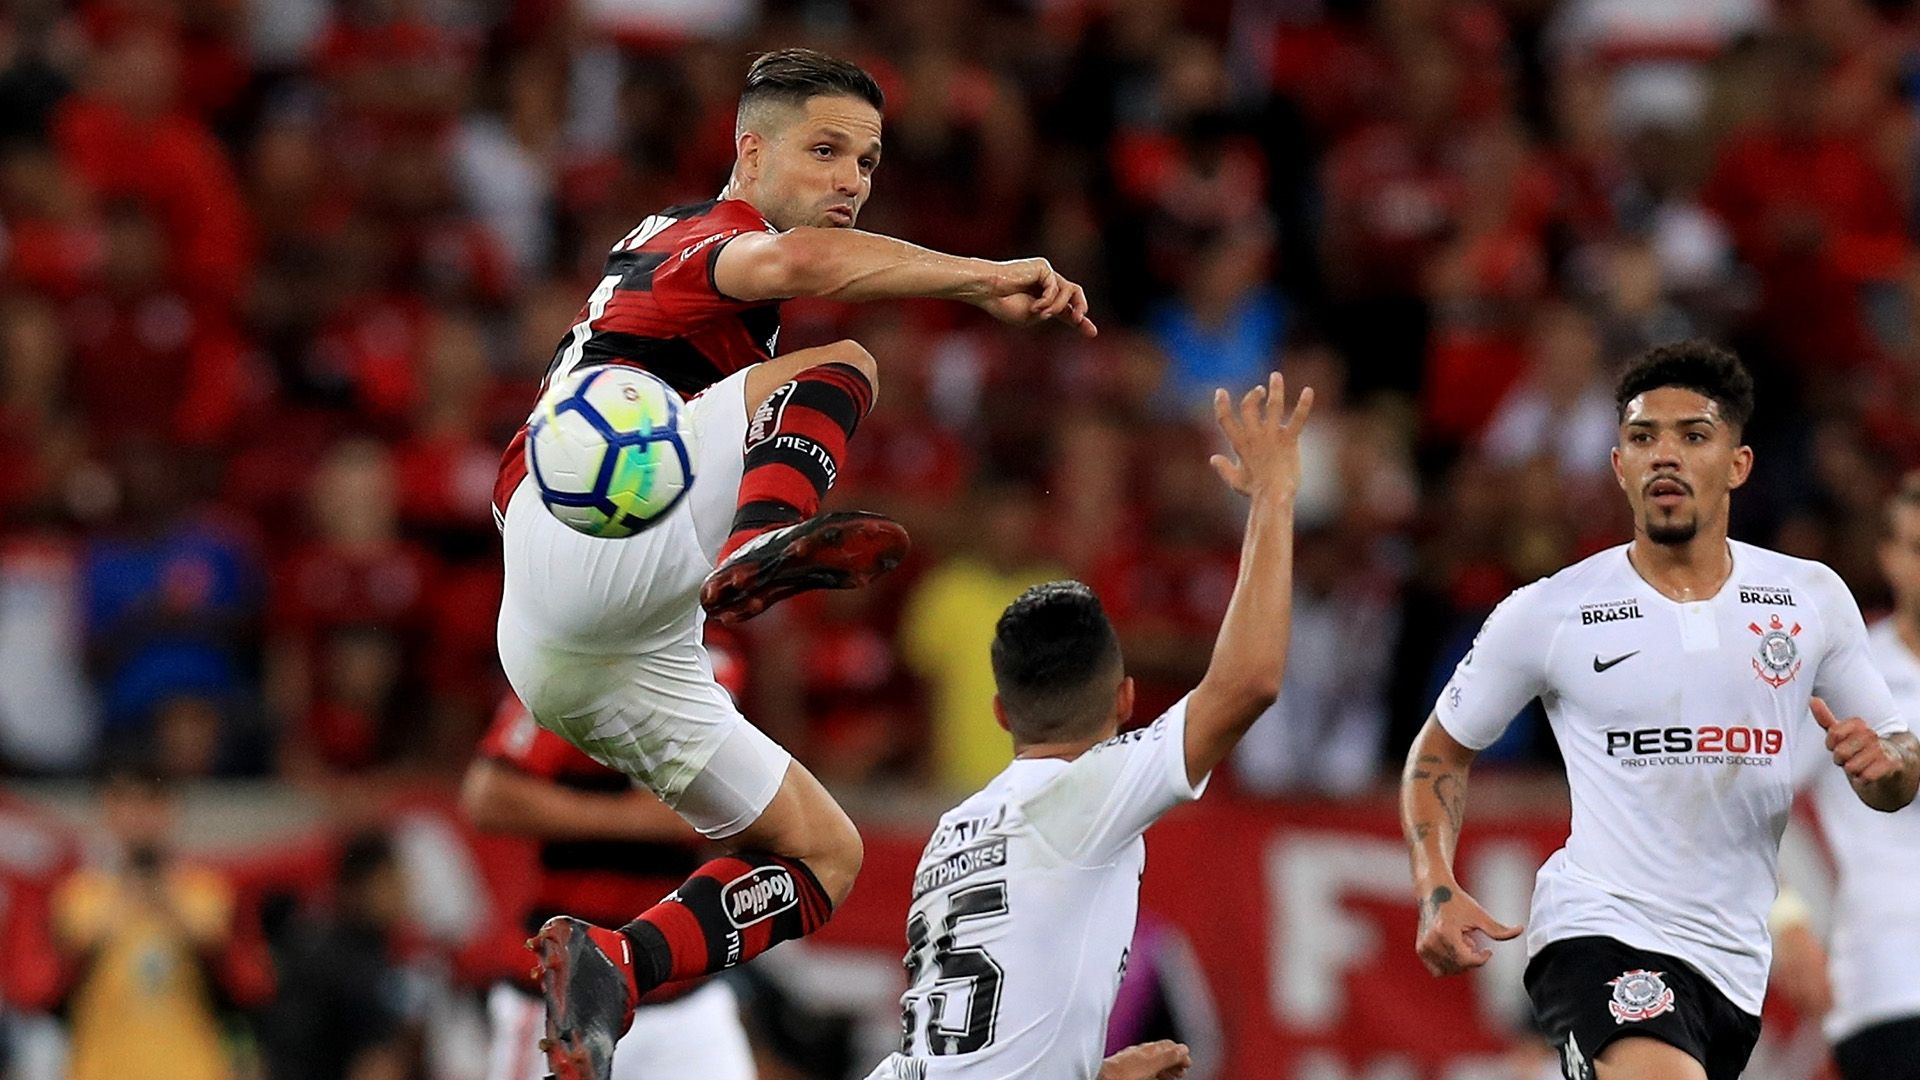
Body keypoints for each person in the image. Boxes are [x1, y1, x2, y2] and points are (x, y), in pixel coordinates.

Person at [492, 47, 1097, 1080]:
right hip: (581, 514)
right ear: (750, 150)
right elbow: (803, 268)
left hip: (588, 650)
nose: (850, 182)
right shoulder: (699, 239)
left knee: (828, 856)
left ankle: (612, 968)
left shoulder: (725, 281)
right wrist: (984, 274)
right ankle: (757, 540)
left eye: (864, 159)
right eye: (824, 152)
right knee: (839, 367)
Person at [1399, 340, 1920, 1080]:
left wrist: (1886, 767)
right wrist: (1435, 885)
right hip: (1600, 929)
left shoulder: (1809, 600)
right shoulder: (1550, 612)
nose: (1665, 456)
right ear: (1620, 466)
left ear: (1737, 465)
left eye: (1693, 436)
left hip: (1733, 964)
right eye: (1643, 438)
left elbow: (1898, 764)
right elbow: (1440, 751)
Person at [862, 372, 1309, 1078]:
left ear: (1002, 713)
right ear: (1127, 699)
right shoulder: (1086, 792)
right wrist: (1276, 499)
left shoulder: (950, 834)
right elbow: (1248, 682)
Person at [460, 693, 755, 1080]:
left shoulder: (718, 662)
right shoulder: (568, 670)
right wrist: (652, 819)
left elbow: (748, 804)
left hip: (683, 993)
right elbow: (488, 796)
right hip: (564, 996)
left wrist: (693, 815)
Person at [1769, 472, 1920, 1080]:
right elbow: (1755, 798)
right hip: (1890, 980)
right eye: (1917, 547)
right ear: (1888, 554)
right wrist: (1786, 918)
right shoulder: (1853, 677)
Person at [52, 760, 272, 1080]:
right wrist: (127, 898)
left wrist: (165, 898)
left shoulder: (206, 889)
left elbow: (226, 954)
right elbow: (65, 958)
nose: (139, 816)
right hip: (102, 1069)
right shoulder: (79, 893)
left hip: (193, 1068)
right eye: (126, 803)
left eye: (150, 802)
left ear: (170, 809)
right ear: (107, 811)